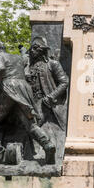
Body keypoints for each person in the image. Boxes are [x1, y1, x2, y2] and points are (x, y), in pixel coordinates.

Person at [0, 41, 56, 165]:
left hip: (8, 88)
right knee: (30, 124)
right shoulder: (17, 57)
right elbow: (25, 60)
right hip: (23, 89)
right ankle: (47, 145)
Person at [24, 37, 69, 168]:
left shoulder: (52, 64)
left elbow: (64, 82)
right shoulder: (28, 66)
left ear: (42, 50)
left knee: (34, 124)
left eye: (35, 48)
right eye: (31, 48)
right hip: (30, 102)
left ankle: (48, 151)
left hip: (46, 103)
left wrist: (51, 96)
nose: (32, 51)